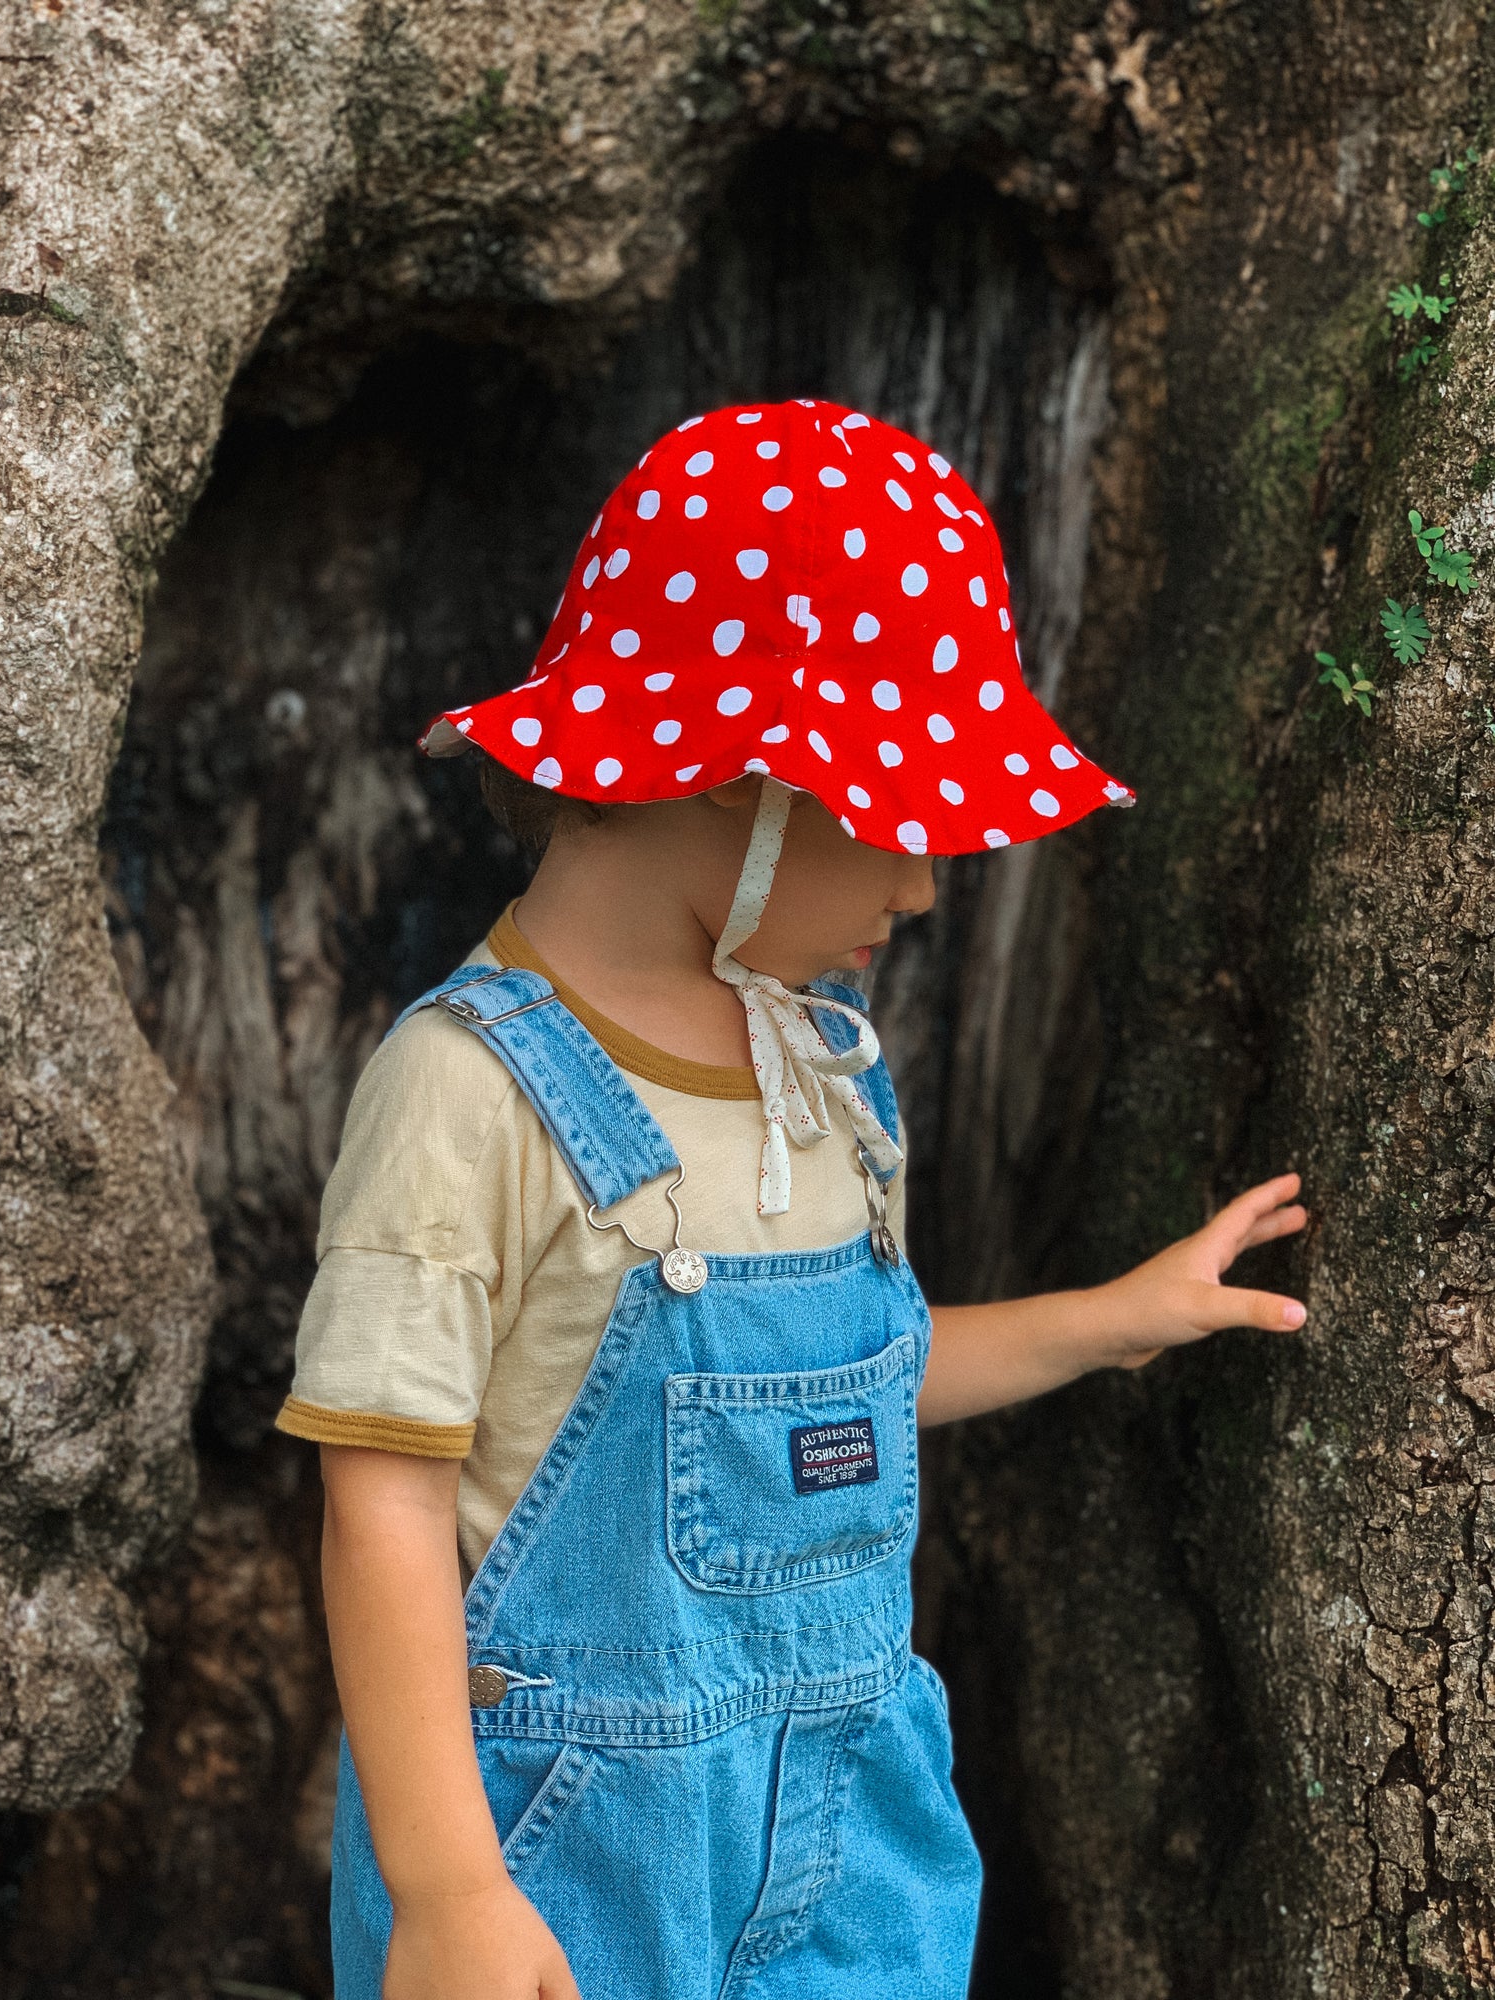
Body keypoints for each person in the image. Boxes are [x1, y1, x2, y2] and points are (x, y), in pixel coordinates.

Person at [277, 398, 1307, 2000]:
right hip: (572, 1851)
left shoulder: (818, 1065)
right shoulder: (465, 1092)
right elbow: (383, 1499)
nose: (921, 886)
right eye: (900, 819)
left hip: (850, 1826)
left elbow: (852, 1384)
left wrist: (1113, 1321)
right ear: (734, 775)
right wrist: (447, 1887)